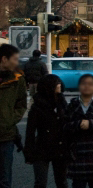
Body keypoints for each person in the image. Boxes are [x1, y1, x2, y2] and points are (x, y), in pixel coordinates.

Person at [24, 73, 68, 188]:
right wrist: (29, 152)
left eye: (59, 82)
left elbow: (68, 124)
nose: (59, 85)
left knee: (62, 181)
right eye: (56, 83)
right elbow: (30, 131)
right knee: (40, 182)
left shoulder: (62, 102)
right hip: (42, 149)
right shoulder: (38, 106)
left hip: (60, 148)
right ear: (49, 86)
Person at [0, 43, 27, 188]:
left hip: (6, 135)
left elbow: (21, 104)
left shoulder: (17, 79)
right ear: (4, 59)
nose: (17, 63)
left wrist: (10, 119)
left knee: (5, 177)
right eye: (14, 59)